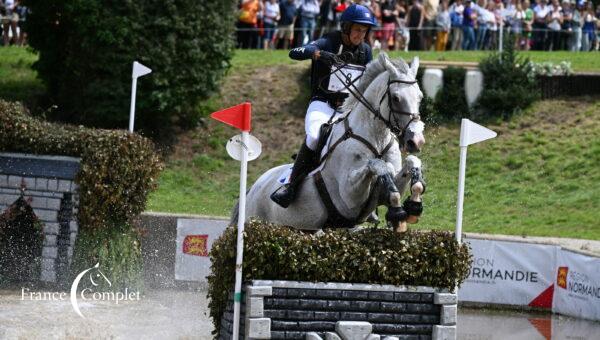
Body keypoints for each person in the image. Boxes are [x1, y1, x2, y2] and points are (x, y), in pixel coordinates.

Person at [270, 4, 376, 208]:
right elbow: (295, 52)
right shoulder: (330, 40)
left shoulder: (365, 51)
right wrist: (317, 54)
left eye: (364, 31)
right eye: (357, 30)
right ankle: (290, 186)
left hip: (347, 109)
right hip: (322, 103)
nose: (360, 35)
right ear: (346, 27)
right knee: (315, 136)